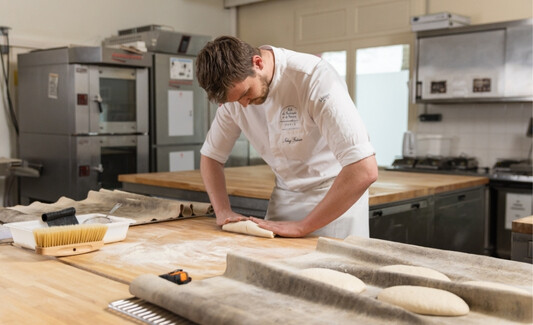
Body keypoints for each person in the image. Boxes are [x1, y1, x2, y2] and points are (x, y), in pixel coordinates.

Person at [196, 36, 378, 239]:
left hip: (334, 200)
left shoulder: (315, 78)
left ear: (257, 63)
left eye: (246, 94)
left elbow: (363, 170)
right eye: (235, 101)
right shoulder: (236, 98)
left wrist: (302, 227)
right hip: (285, 197)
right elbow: (211, 157)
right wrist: (222, 212)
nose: (244, 105)